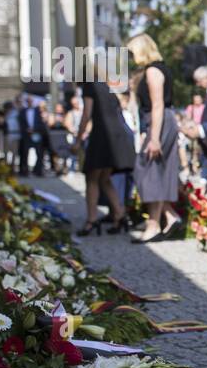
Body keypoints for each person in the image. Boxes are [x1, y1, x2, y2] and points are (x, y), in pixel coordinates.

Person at [125, 35, 182, 243]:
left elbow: (157, 105)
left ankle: (154, 224)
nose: (131, 57)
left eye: (132, 52)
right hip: (159, 121)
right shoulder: (157, 69)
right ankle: (169, 216)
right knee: (153, 170)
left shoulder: (153, 70)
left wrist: (155, 138)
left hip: (160, 121)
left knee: (147, 170)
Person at [75, 64, 137, 235]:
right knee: (104, 179)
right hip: (118, 136)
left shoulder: (90, 85)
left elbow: (87, 114)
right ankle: (119, 214)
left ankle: (91, 220)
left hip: (103, 137)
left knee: (92, 179)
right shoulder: (107, 88)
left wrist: (78, 139)